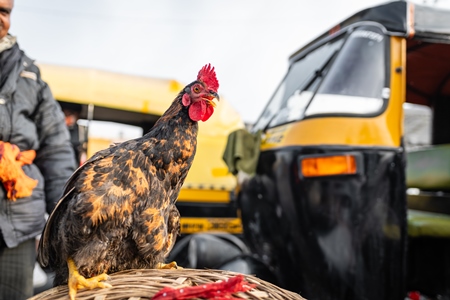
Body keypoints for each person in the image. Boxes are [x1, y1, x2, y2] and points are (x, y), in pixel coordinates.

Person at [0, 0, 77, 299]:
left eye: (4, 11)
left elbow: (56, 149)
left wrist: (66, 217)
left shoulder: (30, 75)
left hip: (17, 225)